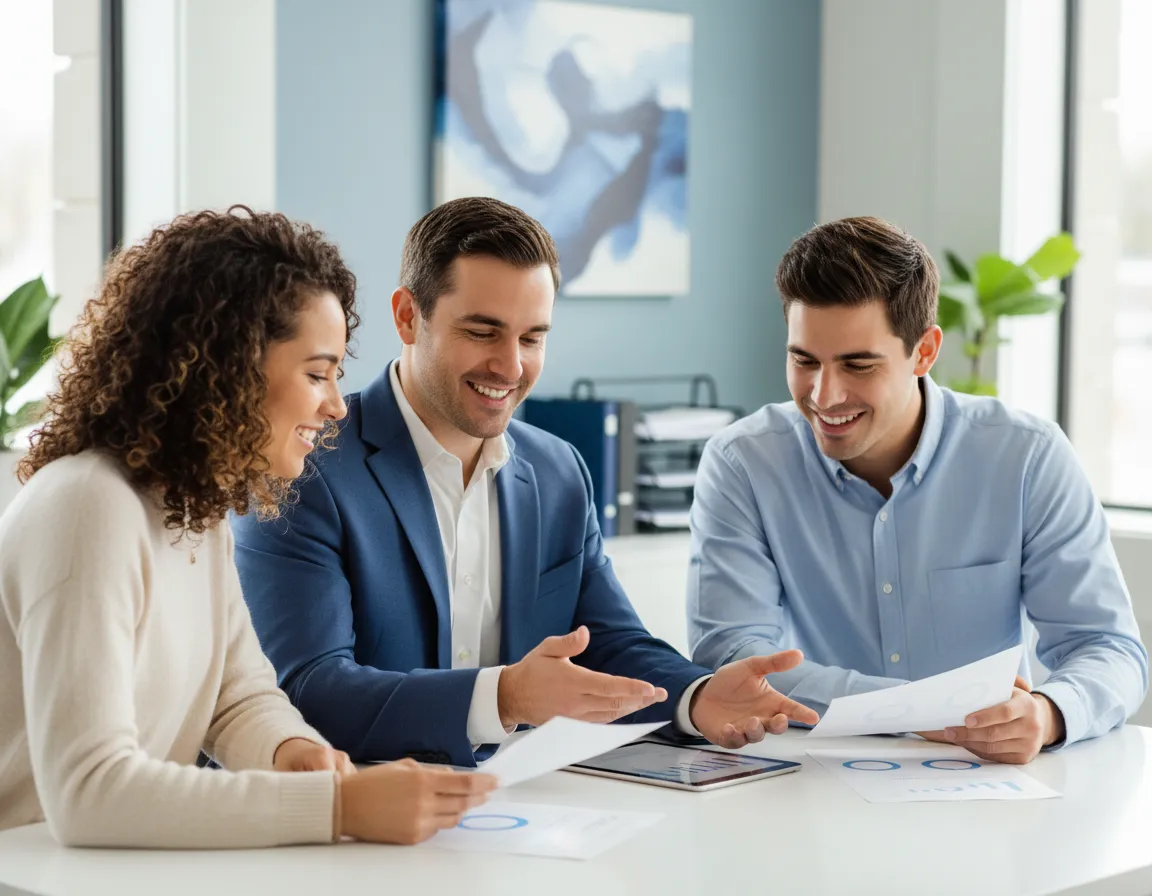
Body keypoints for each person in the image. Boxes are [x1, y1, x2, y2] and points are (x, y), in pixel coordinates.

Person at [232, 197, 819, 767]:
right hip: (351, 823)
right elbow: (304, 689)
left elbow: (611, 645)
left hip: (516, 818)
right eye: (483, 332)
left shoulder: (560, 470)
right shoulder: (303, 462)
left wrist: (697, 697)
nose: (511, 367)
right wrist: (503, 697)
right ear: (409, 317)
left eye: (532, 338)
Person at [0, 207, 495, 848]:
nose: (336, 404)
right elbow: (90, 790)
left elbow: (237, 696)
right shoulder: (89, 506)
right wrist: (336, 808)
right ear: (225, 370)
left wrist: (298, 753)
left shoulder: (193, 513)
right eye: (316, 373)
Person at [687, 216, 1148, 764]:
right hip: (818, 778)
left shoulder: (1026, 455)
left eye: (858, 364)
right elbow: (738, 654)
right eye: (803, 360)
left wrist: (1048, 713)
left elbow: (1108, 648)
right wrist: (920, 710)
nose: (824, 395)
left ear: (925, 351)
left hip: (986, 779)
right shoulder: (744, 462)